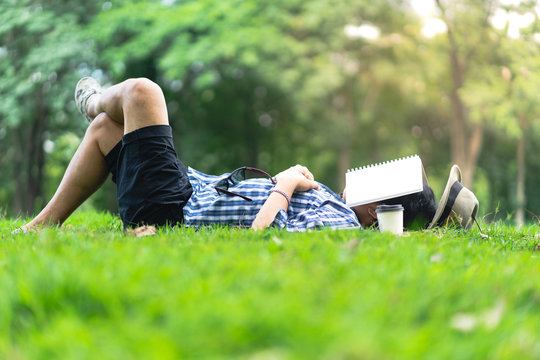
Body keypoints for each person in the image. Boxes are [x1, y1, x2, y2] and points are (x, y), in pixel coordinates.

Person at [18, 77, 436, 233]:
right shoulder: (337, 205)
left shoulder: (343, 225)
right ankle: (40, 226)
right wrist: (288, 184)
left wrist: (287, 183)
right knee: (108, 130)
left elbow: (262, 232)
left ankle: (92, 100)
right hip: (187, 188)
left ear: (382, 210)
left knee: (143, 94)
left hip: (172, 209)